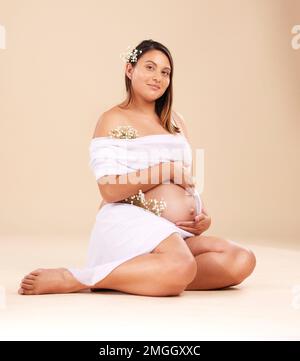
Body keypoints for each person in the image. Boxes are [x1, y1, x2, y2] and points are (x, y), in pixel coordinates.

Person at [18, 39, 256, 297]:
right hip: (128, 220)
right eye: (150, 68)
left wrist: (201, 213)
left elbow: (184, 181)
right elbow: (108, 190)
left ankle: (150, 274)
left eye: (165, 72)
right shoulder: (114, 119)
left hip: (173, 231)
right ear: (130, 70)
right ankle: (78, 278)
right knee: (181, 265)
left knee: (241, 259)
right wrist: (164, 170)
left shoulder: (176, 121)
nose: (158, 78)